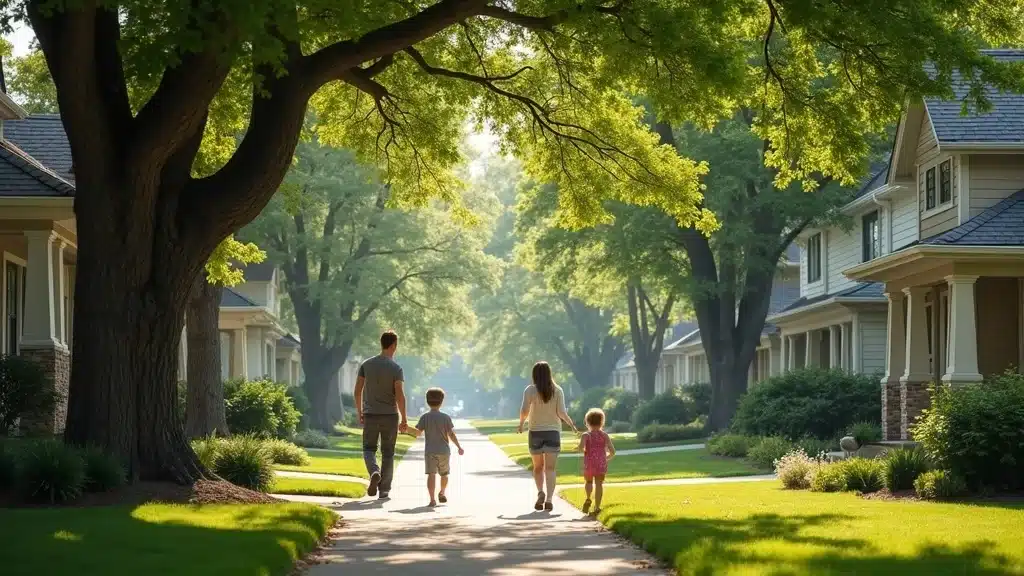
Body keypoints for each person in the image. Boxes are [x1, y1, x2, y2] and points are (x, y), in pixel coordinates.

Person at [518, 361, 578, 511]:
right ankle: (550, 499)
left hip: (535, 432)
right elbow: (562, 412)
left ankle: (540, 492)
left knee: (538, 467)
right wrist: (571, 424)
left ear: (534, 375)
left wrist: (521, 424)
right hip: (553, 433)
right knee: (550, 468)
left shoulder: (530, 390)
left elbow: (524, 410)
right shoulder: (557, 390)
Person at [354, 330, 407, 499]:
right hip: (390, 416)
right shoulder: (396, 368)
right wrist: (404, 418)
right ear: (393, 345)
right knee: (388, 452)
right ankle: (384, 490)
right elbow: (399, 394)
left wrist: (359, 411)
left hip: (371, 414)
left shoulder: (366, 365)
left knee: (368, 449)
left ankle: (374, 471)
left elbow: (357, 391)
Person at [405, 387, 464, 507]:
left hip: (430, 451)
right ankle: (442, 492)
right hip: (444, 451)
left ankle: (432, 499)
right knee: (444, 474)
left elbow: (417, 433)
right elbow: (451, 434)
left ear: (427, 401)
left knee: (431, 475)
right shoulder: (445, 417)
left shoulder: (425, 417)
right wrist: (459, 446)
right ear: (442, 402)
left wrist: (406, 428)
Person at [578, 407, 615, 515]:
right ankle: (597, 507)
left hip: (589, 463)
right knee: (599, 484)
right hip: (601, 464)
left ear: (587, 422)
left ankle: (588, 498)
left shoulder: (586, 435)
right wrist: (605, 458)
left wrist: (583, 450)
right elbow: (612, 451)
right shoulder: (604, 435)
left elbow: (581, 448)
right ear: (602, 422)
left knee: (588, 482)